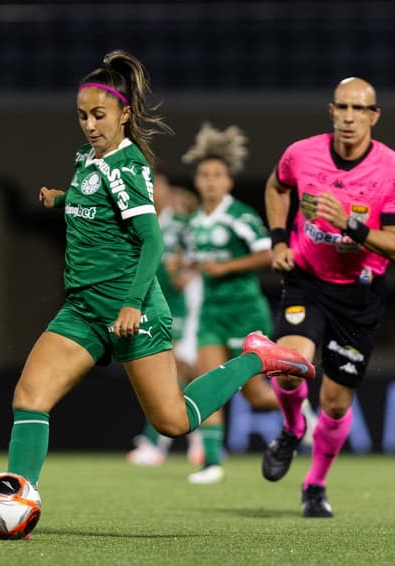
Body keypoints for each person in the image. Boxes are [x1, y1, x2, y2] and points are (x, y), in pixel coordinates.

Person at [0, 50, 315, 538]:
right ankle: (19, 498)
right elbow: (93, 202)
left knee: (172, 422)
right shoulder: (88, 159)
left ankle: (255, 357)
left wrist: (131, 303)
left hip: (134, 311)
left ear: (124, 114)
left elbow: (152, 241)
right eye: (82, 115)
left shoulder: (129, 167)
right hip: (84, 309)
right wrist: (61, 198)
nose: (89, 125)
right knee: (30, 397)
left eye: (98, 115)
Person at [262, 76, 395, 518]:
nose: (350, 117)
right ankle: (291, 427)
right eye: (343, 108)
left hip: (358, 294)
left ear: (374, 116)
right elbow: (277, 186)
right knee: (288, 368)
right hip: (306, 279)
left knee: (336, 403)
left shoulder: (390, 168)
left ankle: (315, 484)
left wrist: (351, 225)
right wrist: (279, 240)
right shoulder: (302, 153)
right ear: (332, 112)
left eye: (360, 109)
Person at [179, 123, 285, 484]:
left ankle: (297, 408)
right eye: (204, 174)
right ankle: (211, 462)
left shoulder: (239, 215)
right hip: (211, 313)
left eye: (217, 175)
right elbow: (196, 263)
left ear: (228, 182)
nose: (210, 180)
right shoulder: (193, 223)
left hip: (244, 311)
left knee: (256, 396)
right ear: (197, 180)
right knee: (208, 384)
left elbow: (269, 254)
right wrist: (184, 269)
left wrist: (226, 267)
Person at [125, 169, 204, 467]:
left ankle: (156, 443)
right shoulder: (139, 224)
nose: (151, 189)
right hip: (149, 305)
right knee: (171, 372)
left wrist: (188, 270)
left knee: (173, 369)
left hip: (181, 306)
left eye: (155, 184)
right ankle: (196, 436)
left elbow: (206, 250)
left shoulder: (181, 223)